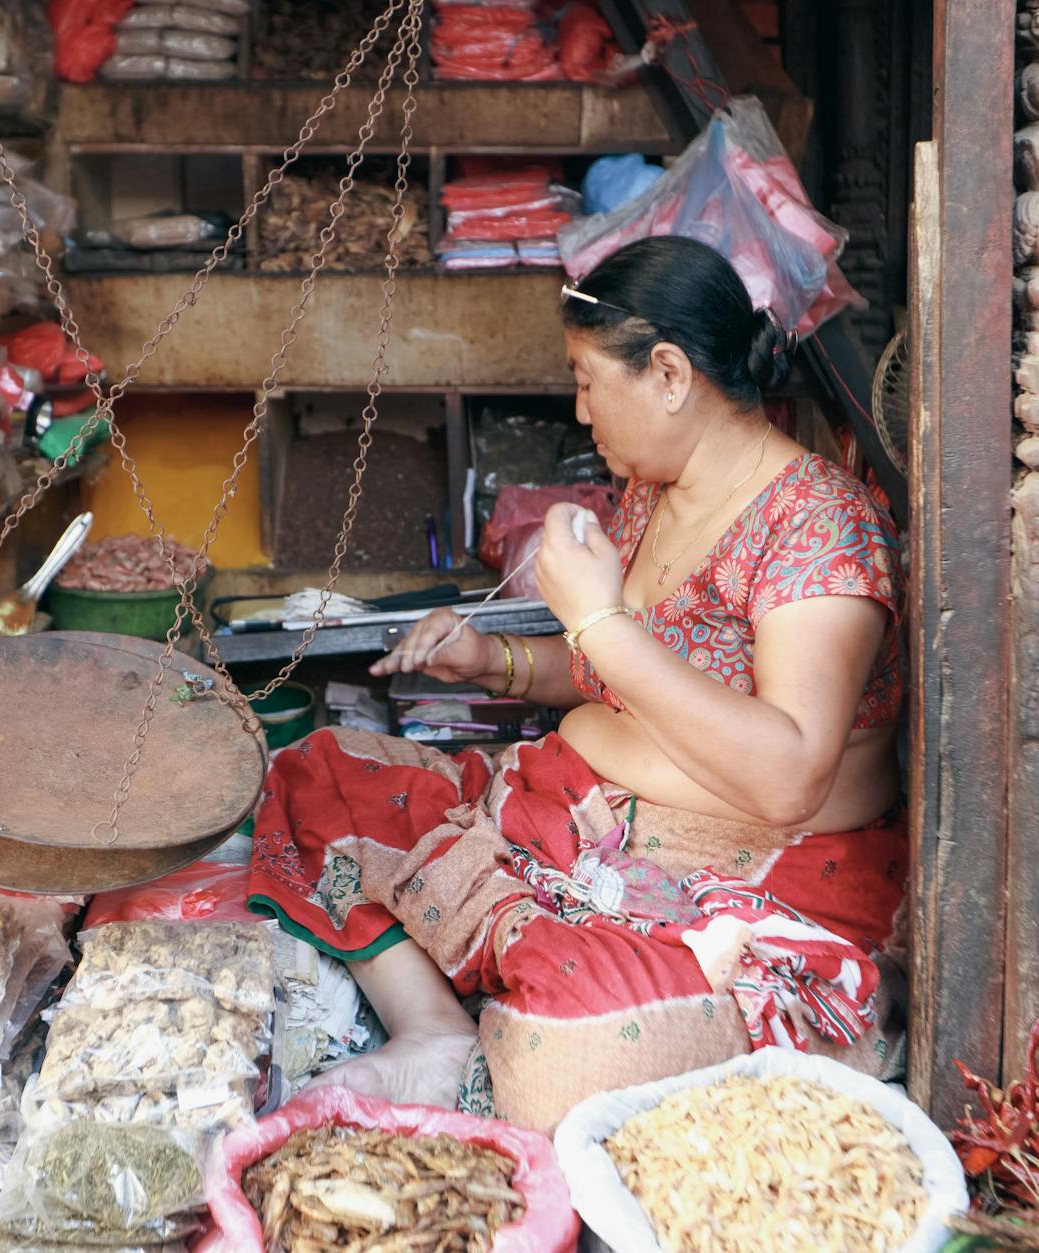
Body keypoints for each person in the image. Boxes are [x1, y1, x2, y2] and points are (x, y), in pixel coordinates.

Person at [247, 236, 906, 1131]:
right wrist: (495, 661)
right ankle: (437, 1027)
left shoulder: (817, 522)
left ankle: (524, 994)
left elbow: (790, 774)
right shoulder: (654, 490)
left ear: (669, 374)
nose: (580, 408)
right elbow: (610, 675)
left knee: (564, 1047)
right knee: (317, 770)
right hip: (574, 812)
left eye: (591, 380)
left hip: (737, 867)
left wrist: (600, 620)